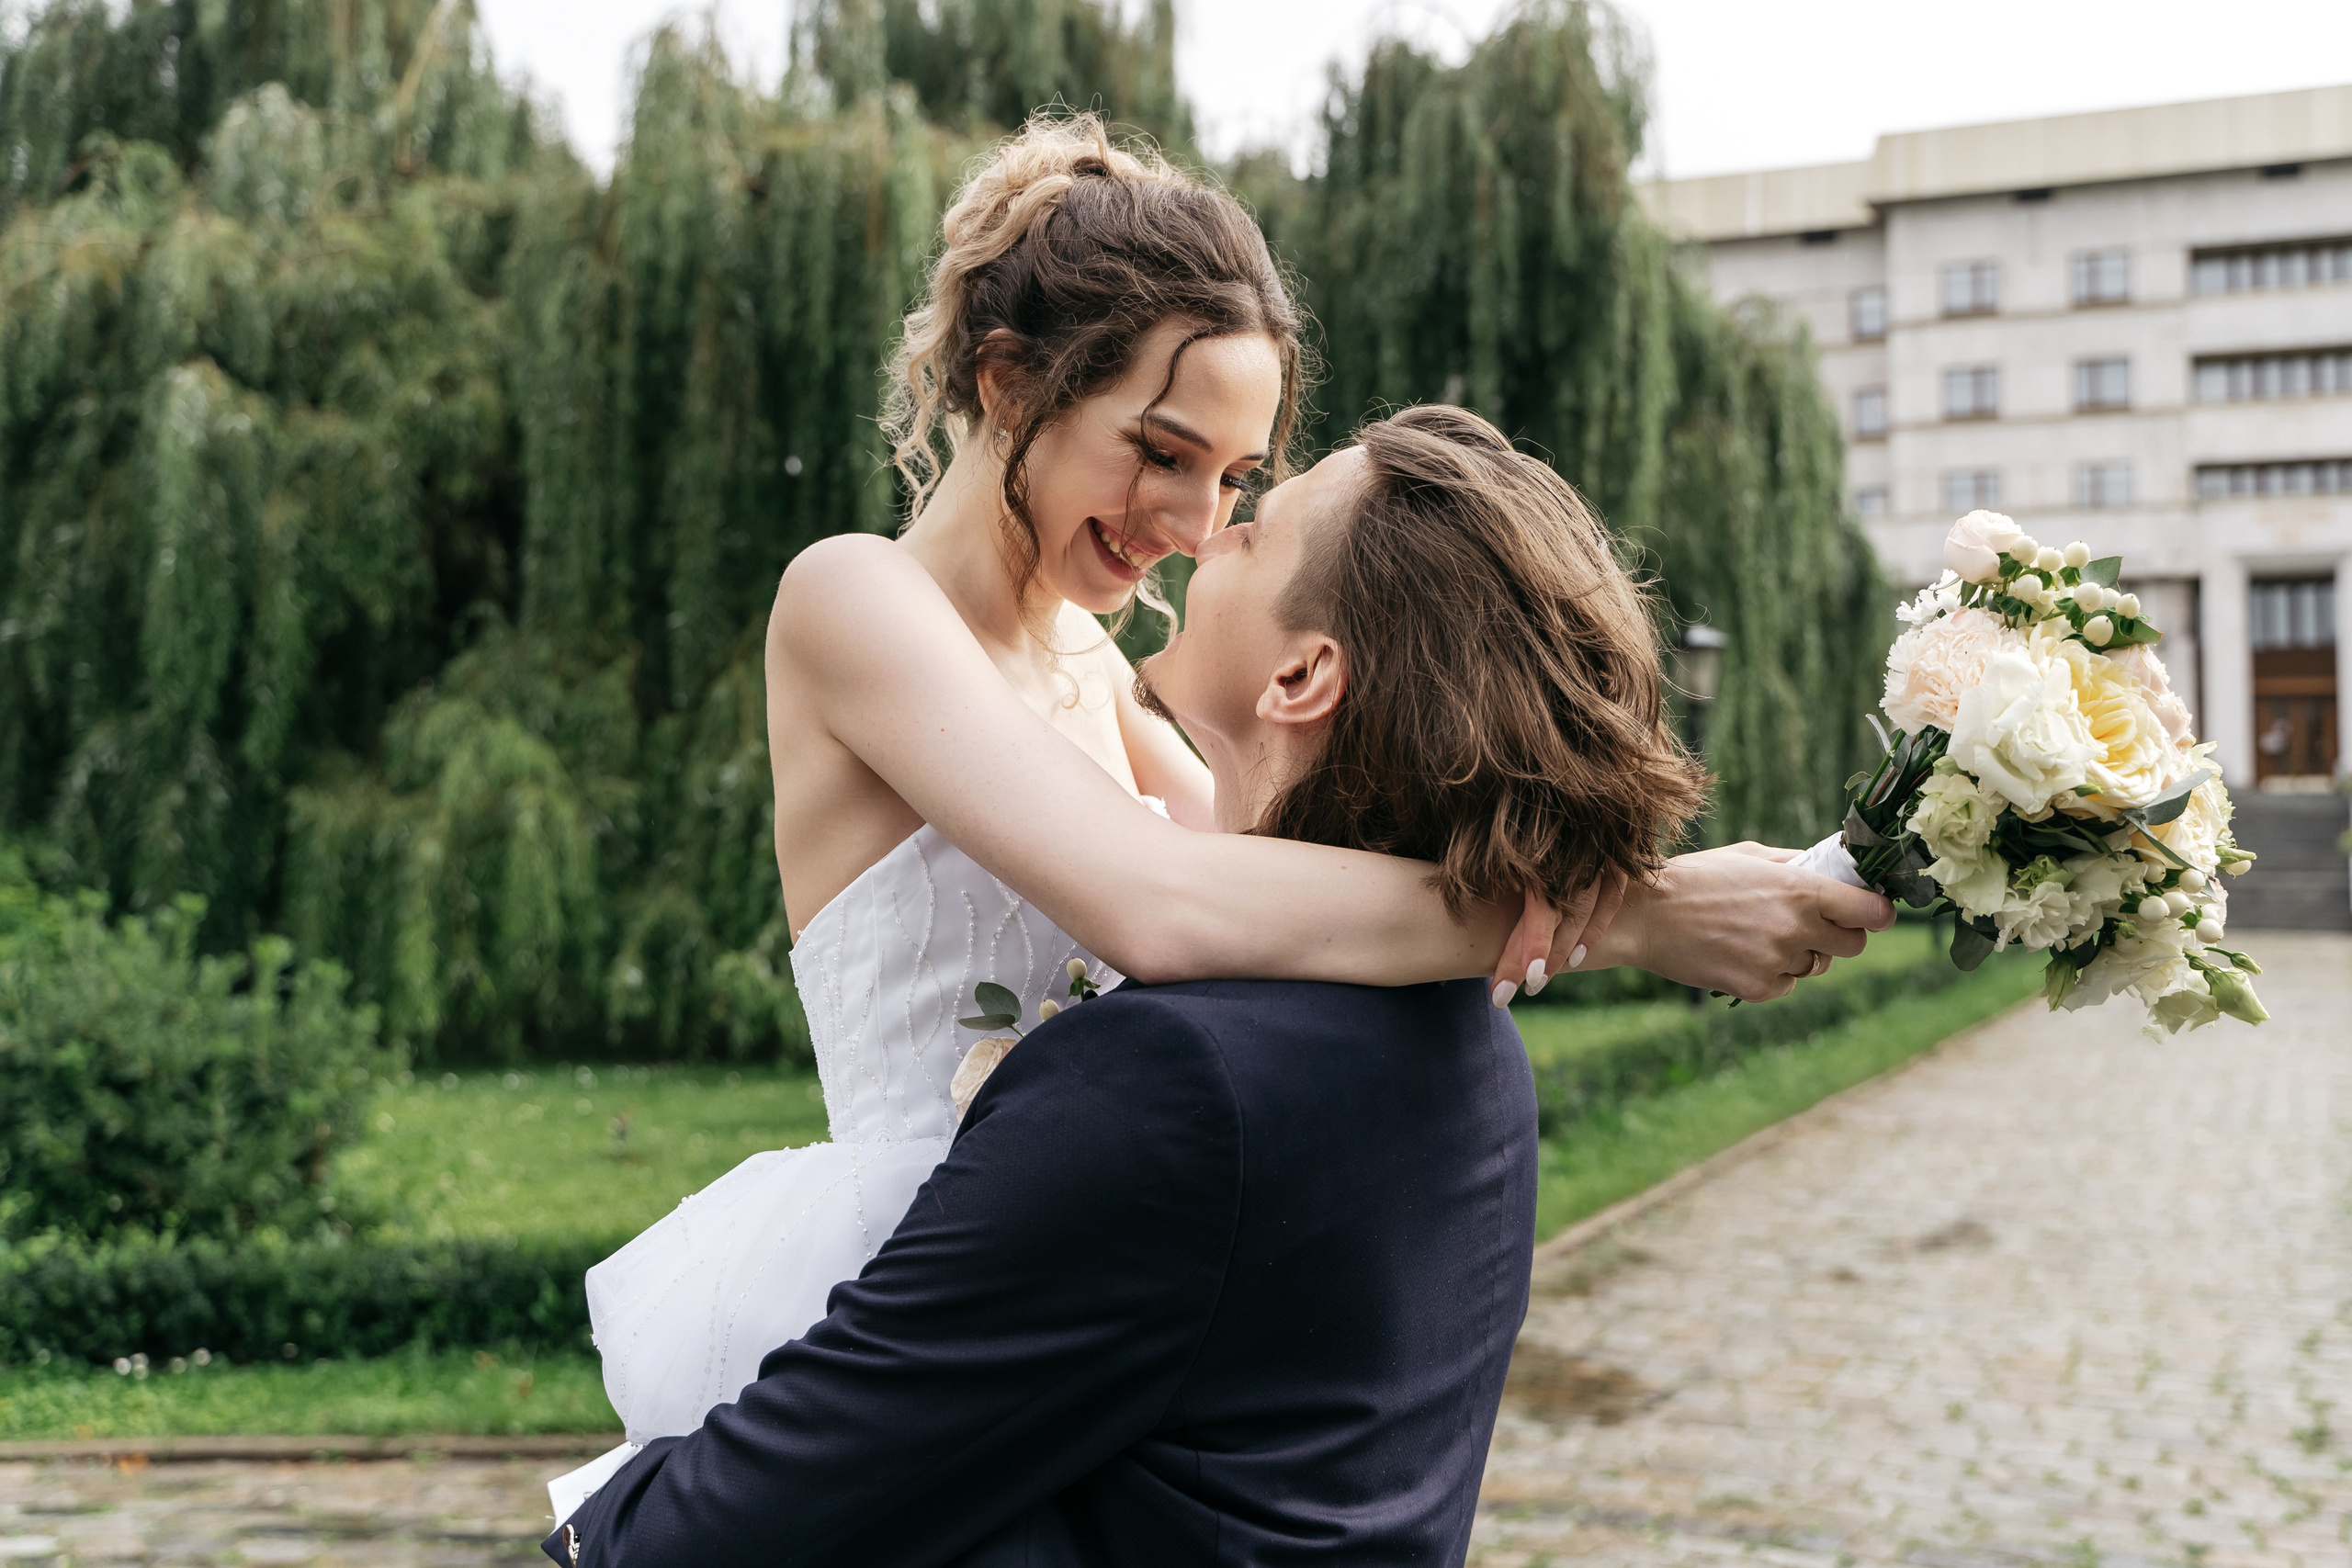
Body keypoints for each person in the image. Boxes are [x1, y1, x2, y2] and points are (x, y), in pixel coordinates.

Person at [548, 112, 1891, 1519]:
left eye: (1237, 482)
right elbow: (1166, 907)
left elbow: (1311, 909)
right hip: (924, 1299)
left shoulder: (1102, 671)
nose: (1195, 526)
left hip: (1111, 1300)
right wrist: (1631, 917)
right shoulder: (853, 601)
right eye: (1163, 452)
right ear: (1008, 383)